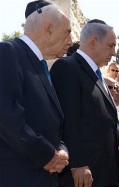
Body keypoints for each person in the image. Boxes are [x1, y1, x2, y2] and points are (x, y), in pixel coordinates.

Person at [0, 1, 72, 186]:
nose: (70, 41)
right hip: (18, 176)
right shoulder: (7, 52)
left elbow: (51, 123)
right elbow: (6, 115)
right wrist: (47, 156)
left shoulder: (40, 66)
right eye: (67, 32)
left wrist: (61, 151)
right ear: (48, 29)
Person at [50, 20, 119, 186]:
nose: (114, 52)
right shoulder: (67, 67)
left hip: (103, 171)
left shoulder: (97, 74)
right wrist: (78, 163)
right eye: (111, 45)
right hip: (84, 174)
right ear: (93, 42)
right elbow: (68, 120)